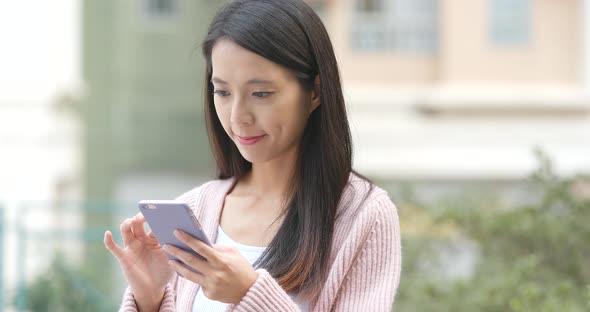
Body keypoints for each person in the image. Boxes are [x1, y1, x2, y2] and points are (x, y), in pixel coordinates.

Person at [103, 0, 401, 311]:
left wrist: (250, 295)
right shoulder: (196, 209)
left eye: (260, 93)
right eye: (222, 92)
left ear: (314, 92)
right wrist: (149, 298)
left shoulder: (364, 216)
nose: (237, 117)